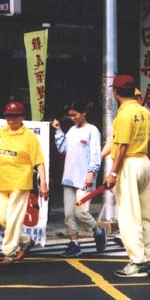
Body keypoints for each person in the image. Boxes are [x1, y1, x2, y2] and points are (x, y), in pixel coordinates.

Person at [103, 75, 150, 278]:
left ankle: (137, 262)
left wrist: (113, 173)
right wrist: (145, 162)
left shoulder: (124, 115)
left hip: (128, 164)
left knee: (129, 216)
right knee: (143, 215)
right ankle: (146, 258)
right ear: (134, 91)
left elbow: (122, 146)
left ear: (115, 92)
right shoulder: (144, 112)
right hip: (144, 161)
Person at [0, 101, 48, 263]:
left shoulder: (29, 137)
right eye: (8, 116)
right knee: (2, 218)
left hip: (20, 182)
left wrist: (43, 184)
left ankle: (9, 252)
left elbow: (39, 161)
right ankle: (25, 240)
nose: (11, 119)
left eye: (15, 116)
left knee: (13, 217)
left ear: (22, 117)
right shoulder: (0, 133)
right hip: (1, 181)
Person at [52, 101, 106, 258]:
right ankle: (74, 244)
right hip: (69, 177)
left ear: (84, 113)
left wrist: (91, 173)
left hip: (85, 178)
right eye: (70, 115)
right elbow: (63, 148)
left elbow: (95, 155)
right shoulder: (71, 130)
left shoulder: (92, 131)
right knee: (69, 214)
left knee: (80, 212)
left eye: (75, 115)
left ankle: (97, 230)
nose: (73, 118)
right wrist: (58, 131)